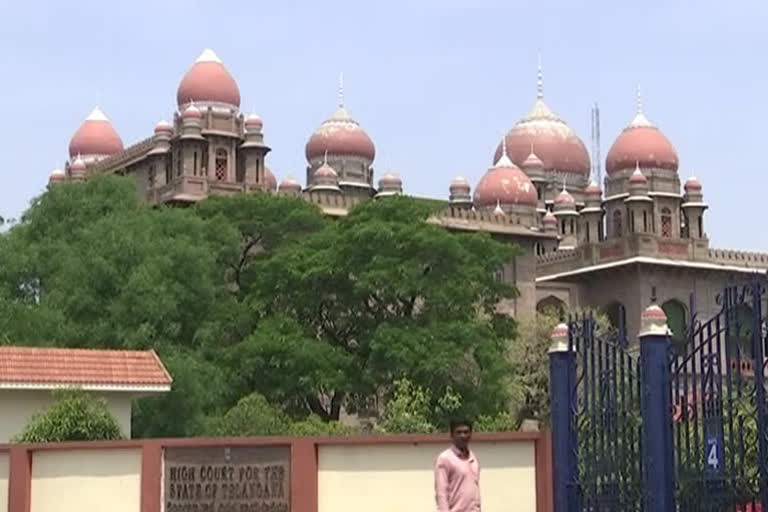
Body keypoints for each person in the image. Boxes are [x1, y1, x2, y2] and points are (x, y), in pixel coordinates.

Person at [434, 419, 480, 512]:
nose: (463, 436)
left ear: (470, 435)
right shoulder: (445, 459)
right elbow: (441, 493)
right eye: (458, 432)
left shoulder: (473, 458)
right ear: (451, 435)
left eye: (466, 432)